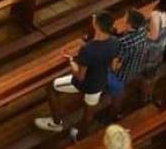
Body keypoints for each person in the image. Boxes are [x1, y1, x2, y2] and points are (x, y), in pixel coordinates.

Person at [34, 11, 119, 140]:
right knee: (89, 111)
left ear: (96, 25)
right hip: (101, 81)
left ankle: (56, 123)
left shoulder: (88, 49)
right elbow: (113, 66)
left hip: (86, 84)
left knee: (51, 87)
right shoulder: (114, 41)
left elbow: (80, 77)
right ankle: (80, 136)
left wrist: (71, 61)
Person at [138, 0, 166, 103]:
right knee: (153, 70)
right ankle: (149, 91)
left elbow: (153, 36)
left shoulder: (156, 15)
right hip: (162, 42)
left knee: (148, 74)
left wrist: (142, 31)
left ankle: (145, 96)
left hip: (152, 47)